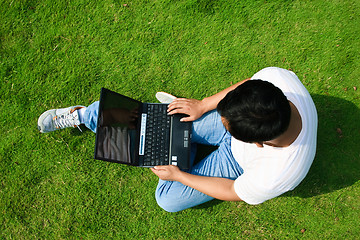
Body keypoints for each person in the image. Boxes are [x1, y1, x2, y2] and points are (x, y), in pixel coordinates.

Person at [38, 67, 318, 212]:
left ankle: (177, 143)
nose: (222, 121)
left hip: (237, 164)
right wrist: (204, 105)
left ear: (256, 143)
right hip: (248, 129)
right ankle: (85, 115)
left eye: (227, 125)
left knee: (167, 199)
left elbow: (234, 191)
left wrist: (178, 176)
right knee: (158, 117)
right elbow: (247, 85)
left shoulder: (279, 174)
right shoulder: (277, 80)